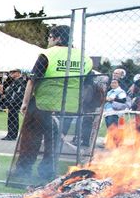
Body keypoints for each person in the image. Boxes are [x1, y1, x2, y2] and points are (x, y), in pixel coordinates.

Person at [11, 25, 93, 184]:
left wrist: (25, 102)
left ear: (58, 38)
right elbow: (87, 86)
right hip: (69, 106)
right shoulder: (84, 58)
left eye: (50, 37)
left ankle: (24, 170)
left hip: (42, 104)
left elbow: (32, 81)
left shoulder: (47, 54)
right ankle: (47, 172)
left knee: (31, 138)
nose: (48, 40)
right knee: (55, 140)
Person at [2, 69, 25, 140]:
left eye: (13, 72)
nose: (11, 73)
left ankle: (12, 135)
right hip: (11, 103)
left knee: (13, 119)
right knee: (11, 119)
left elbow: (18, 93)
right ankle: (10, 134)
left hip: (14, 103)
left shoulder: (20, 82)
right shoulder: (14, 82)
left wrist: (11, 101)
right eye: (11, 72)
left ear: (18, 73)